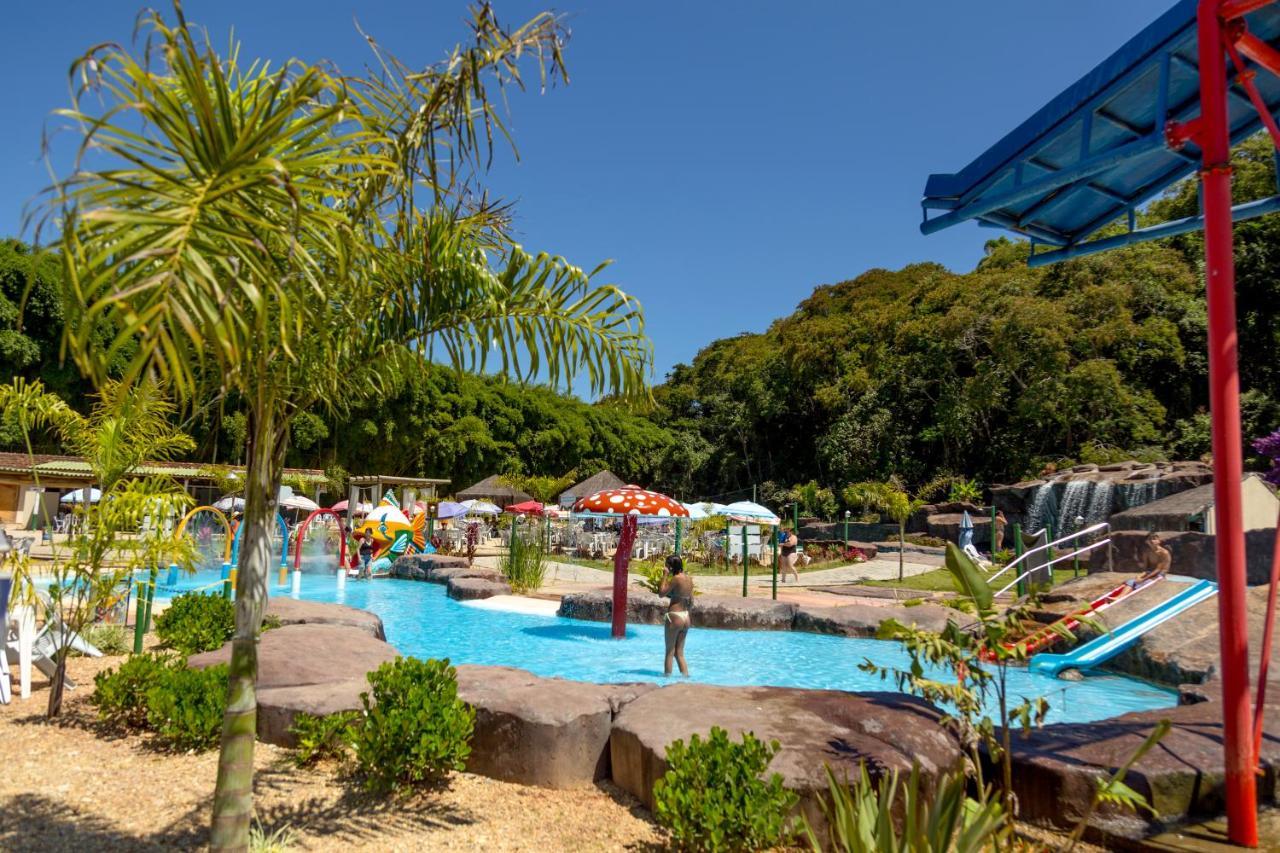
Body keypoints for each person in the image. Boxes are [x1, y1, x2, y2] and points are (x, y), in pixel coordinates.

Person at [659, 555, 693, 677]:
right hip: (685, 616)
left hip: (675, 616)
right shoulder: (689, 579)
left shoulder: (676, 579)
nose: (665, 567)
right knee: (679, 653)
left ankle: (666, 681)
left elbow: (661, 593)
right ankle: (686, 678)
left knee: (669, 651)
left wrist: (665, 575)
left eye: (667, 565)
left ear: (671, 567)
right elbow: (691, 600)